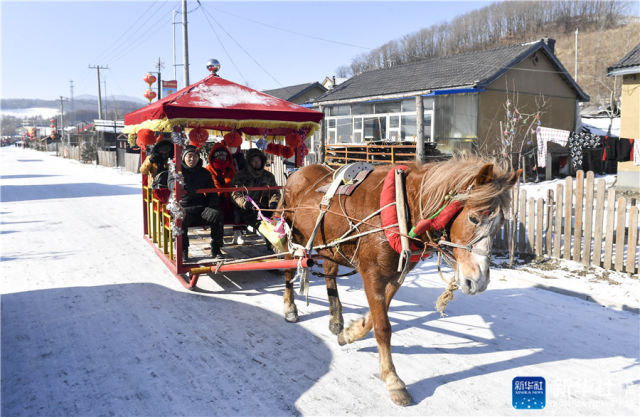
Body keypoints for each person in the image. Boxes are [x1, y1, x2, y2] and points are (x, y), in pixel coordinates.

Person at [177, 145, 226, 260]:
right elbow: (170, 183)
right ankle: (183, 250)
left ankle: (216, 248)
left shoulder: (204, 172)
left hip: (200, 207)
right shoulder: (177, 171)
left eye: (195, 156)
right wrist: (181, 186)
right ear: (184, 157)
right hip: (184, 207)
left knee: (217, 214)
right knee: (180, 218)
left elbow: (211, 190)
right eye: (189, 156)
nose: (192, 159)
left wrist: (212, 205)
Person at [231, 148, 280, 232]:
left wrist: (273, 203)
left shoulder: (269, 176)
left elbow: (275, 192)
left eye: (258, 160)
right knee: (259, 223)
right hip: (246, 208)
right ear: (249, 162)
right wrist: (245, 204)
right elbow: (235, 193)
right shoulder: (240, 175)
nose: (256, 163)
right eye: (253, 160)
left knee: (276, 220)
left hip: (265, 207)